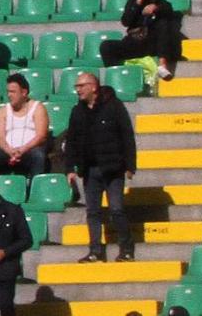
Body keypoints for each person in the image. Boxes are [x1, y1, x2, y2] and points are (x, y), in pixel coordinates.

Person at [67, 69, 138, 263]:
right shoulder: (77, 111)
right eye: (76, 86)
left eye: (81, 86)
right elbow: (71, 141)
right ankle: (95, 251)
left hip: (113, 169)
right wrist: (69, 168)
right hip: (89, 170)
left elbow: (127, 136)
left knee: (116, 209)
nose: (78, 90)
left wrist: (130, 165)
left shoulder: (114, 106)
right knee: (92, 212)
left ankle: (126, 249)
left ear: (93, 87)